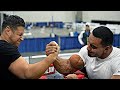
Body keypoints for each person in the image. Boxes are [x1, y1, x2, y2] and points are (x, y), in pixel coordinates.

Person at [46, 26, 120, 79]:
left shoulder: (117, 60)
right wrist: (53, 56)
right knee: (75, 61)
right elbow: (66, 68)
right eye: (88, 43)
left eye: (93, 46)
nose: (88, 48)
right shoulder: (86, 51)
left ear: (106, 49)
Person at [0, 15, 59, 79]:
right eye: (20, 35)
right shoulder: (5, 48)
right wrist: (52, 56)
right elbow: (28, 73)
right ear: (8, 31)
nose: (22, 39)